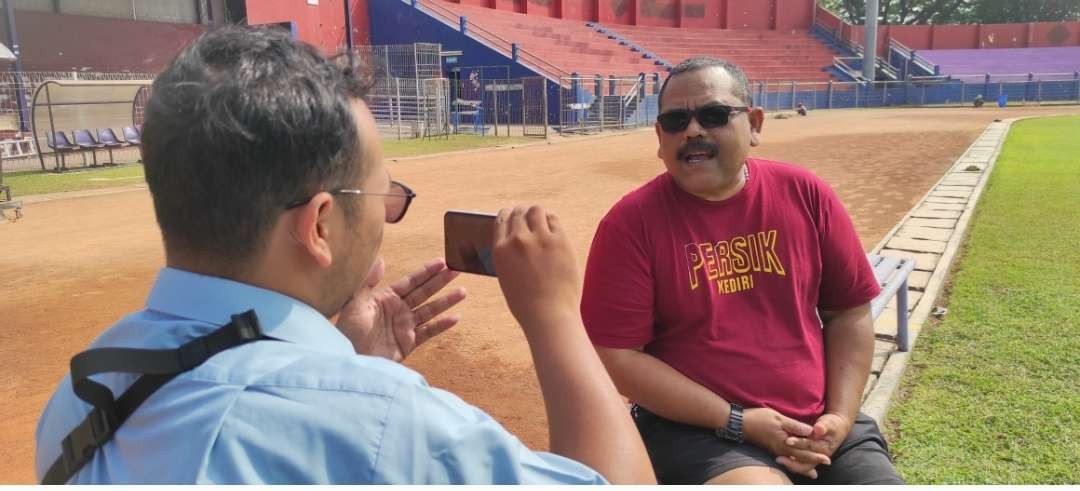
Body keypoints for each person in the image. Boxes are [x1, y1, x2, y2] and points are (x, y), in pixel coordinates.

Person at [34, 26, 654, 485]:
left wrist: (351, 359)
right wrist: (554, 317)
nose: (387, 213)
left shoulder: (82, 391)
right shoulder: (387, 428)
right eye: (385, 195)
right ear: (320, 224)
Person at [580, 57, 905, 485]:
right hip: (697, 431)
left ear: (753, 125)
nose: (693, 130)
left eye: (714, 115)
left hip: (817, 419)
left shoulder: (806, 195)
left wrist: (839, 420)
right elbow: (618, 357)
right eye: (675, 121)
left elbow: (848, 311)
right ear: (660, 138)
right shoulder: (630, 225)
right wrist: (739, 421)